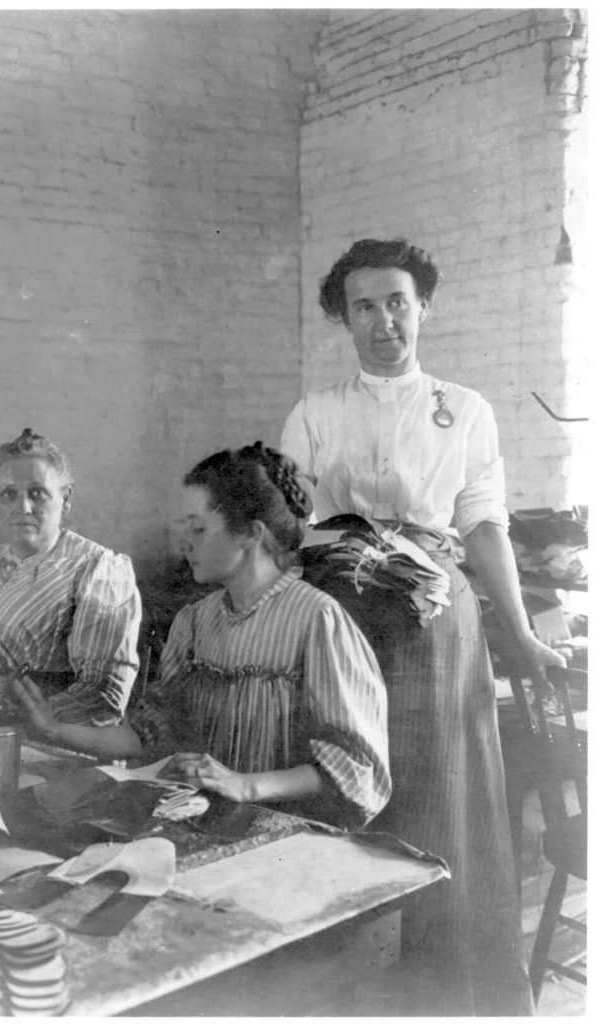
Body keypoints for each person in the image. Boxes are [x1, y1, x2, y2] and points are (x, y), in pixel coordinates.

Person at [281, 238, 566, 1014]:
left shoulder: (464, 410)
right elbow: (286, 523)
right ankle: (348, 987)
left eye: (397, 302)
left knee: (442, 799)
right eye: (364, 307)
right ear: (344, 320)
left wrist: (523, 630)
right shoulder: (317, 412)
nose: (384, 321)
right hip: (337, 619)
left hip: (435, 621)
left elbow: (483, 528)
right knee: (347, 782)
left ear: (423, 307)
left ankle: (446, 991)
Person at [145, 441, 391, 828]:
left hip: (289, 834)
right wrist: (53, 729)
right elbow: (157, 730)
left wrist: (244, 785)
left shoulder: (319, 620)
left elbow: (356, 769)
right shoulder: (193, 621)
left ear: (250, 534)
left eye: (199, 528)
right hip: (203, 822)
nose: (183, 542)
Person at [0, 427, 143, 760]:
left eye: (37, 493)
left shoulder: (97, 569)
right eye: (8, 494)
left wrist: (7, 710)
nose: (23, 506)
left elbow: (103, 696)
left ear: (66, 499)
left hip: (71, 749)